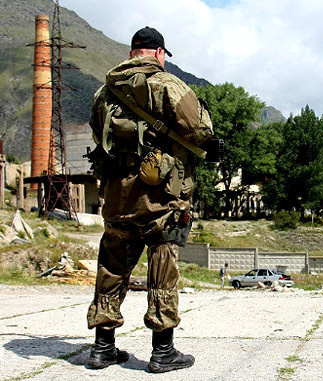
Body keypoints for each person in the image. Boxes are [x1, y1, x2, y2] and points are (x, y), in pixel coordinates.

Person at [86, 26, 213, 373]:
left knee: (112, 266)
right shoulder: (170, 85)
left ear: (131, 54)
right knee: (162, 266)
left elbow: (99, 135)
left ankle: (102, 348)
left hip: (116, 194)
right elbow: (202, 130)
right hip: (160, 195)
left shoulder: (104, 92)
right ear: (159, 54)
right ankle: (162, 352)